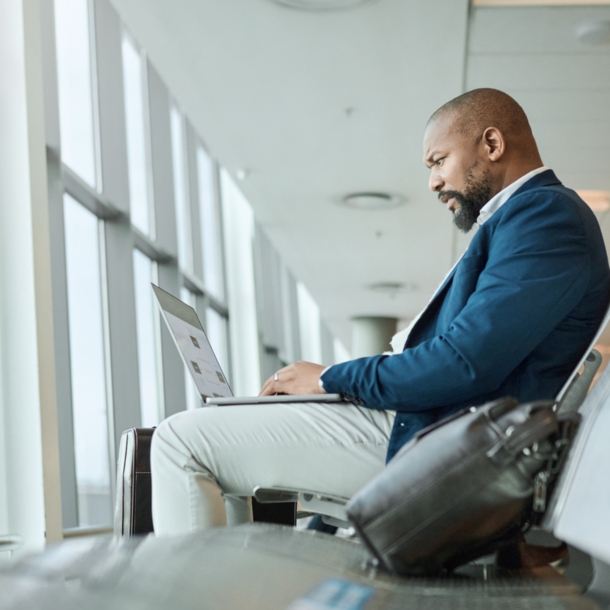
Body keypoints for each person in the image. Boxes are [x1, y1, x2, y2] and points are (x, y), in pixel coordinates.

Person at [151, 88, 610, 539]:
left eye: (438, 161)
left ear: (491, 145)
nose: (432, 182)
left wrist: (331, 379)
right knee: (224, 447)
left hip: (438, 438)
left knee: (179, 441)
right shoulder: (524, 219)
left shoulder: (545, 216)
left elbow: (464, 363)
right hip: (434, 424)